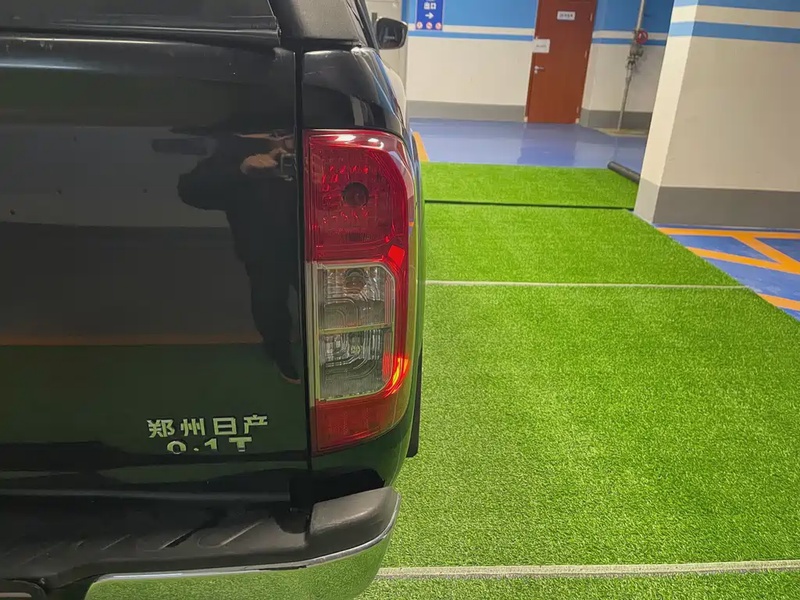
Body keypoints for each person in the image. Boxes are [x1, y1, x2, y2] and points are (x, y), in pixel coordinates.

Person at [177, 131, 301, 383]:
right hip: (262, 249)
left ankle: (329, 355)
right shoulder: (235, 151)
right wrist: (242, 169)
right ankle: (279, 354)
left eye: (288, 134)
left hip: (314, 247)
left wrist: (324, 175)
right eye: (277, 134)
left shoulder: (315, 145)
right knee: (269, 305)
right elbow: (190, 190)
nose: (284, 141)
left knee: (326, 303)